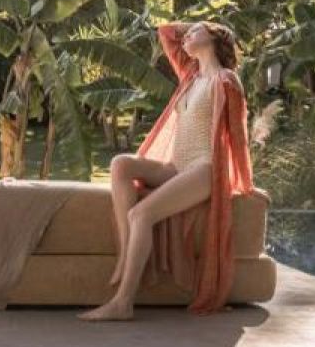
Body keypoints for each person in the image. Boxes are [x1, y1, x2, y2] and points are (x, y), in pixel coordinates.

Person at [83, 20, 255, 321]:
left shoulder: (226, 80)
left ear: (214, 39)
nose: (186, 35)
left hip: (203, 168)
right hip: (177, 166)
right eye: (188, 32)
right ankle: (126, 252)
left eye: (195, 31)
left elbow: (238, 135)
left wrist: (242, 179)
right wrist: (199, 28)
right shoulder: (190, 76)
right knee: (121, 164)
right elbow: (166, 33)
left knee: (141, 214)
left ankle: (123, 302)